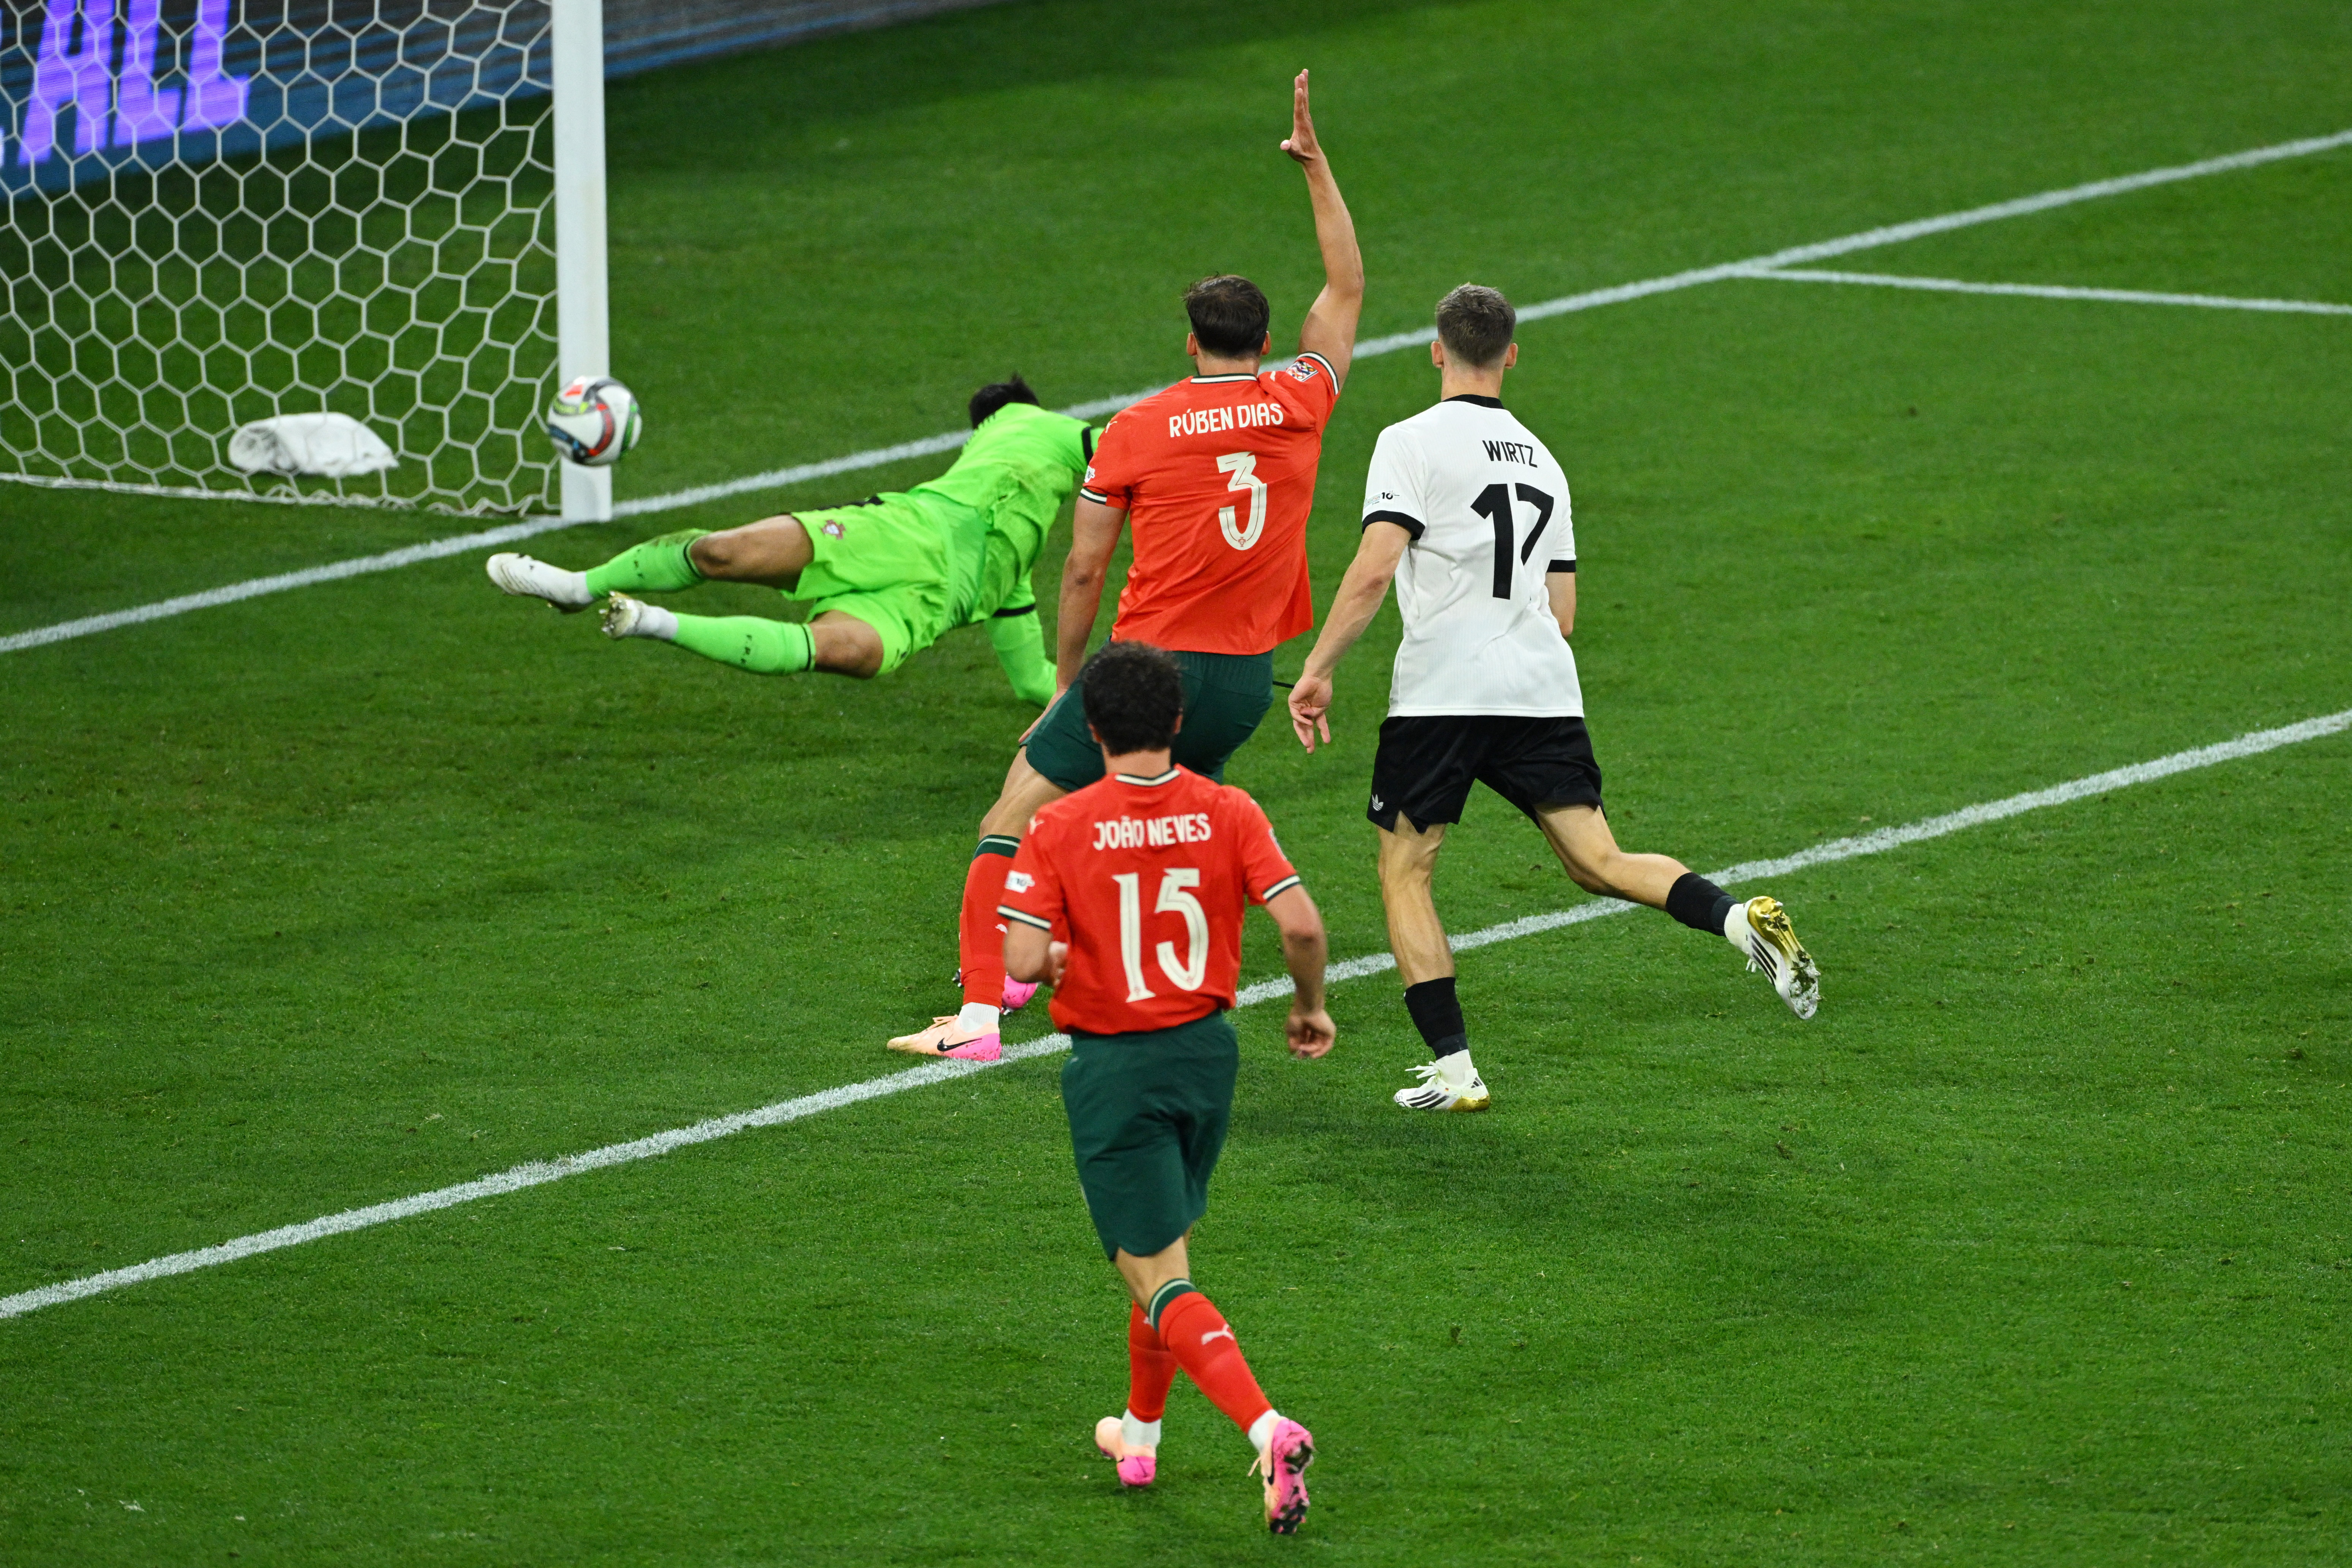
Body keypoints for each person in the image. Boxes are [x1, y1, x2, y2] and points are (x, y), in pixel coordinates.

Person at [888, 69, 1364, 1062]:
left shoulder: (1139, 430)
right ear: (1267, 344)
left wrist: (1067, 686)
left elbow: (1081, 573)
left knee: (1013, 811)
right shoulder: (1302, 399)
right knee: (1183, 824)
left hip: (1149, 664)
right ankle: (1182, 994)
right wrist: (1317, 169)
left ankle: (979, 1018)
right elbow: (1347, 287)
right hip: (1244, 680)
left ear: (1191, 344)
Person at [1285, 284, 1820, 1113]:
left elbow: (1376, 565)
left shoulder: (1409, 442)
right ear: (1511, 355)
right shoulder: (1544, 460)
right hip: (1539, 685)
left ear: (1437, 350)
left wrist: (1320, 667)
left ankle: (1456, 1071)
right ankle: (1735, 918)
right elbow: (1562, 613)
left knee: (1405, 870)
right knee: (1597, 861)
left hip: (1443, 692)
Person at [997, 641, 1334, 1534]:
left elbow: (1023, 960)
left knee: (1152, 1277)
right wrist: (1309, 1008)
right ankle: (1140, 1437)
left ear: (1094, 730)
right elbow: (1299, 923)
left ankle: (1267, 1429)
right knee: (1166, 1253)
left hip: (1118, 1071)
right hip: (1206, 1058)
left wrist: (1070, 951)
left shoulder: (1060, 826)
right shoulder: (1227, 808)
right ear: (1179, 724)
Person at [482, 376, 1089, 705]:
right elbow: (1130, 442)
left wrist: (1112, 701)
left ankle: (650, 620)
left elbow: (1038, 684)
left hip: (927, 607)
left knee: (845, 652)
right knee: (723, 553)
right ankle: (576, 586)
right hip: (904, 530)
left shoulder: (1012, 583)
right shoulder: (1028, 421)